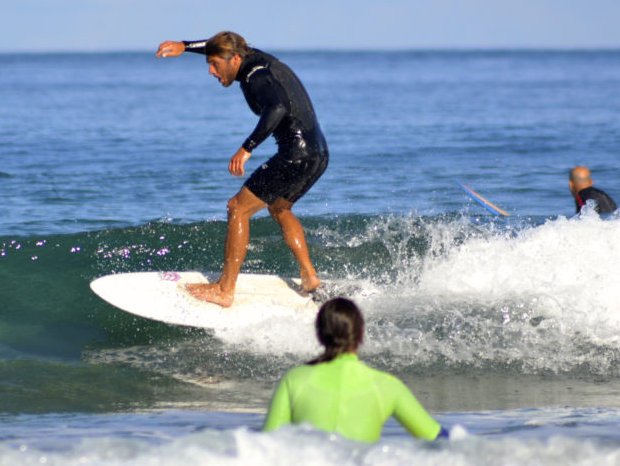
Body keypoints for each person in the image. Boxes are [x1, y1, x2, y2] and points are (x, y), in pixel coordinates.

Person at [156, 31, 327, 308]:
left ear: (235, 59)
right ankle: (310, 278)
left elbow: (278, 107)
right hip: (318, 153)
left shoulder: (254, 77)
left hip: (295, 154)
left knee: (238, 208)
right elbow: (223, 47)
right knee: (280, 209)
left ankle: (225, 289)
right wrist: (184, 46)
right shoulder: (252, 57)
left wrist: (247, 148)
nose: (211, 71)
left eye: (215, 64)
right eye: (209, 63)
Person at [263, 297, 448, 442]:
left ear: (319, 335)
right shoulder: (386, 385)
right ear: (361, 335)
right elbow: (437, 438)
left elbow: (268, 443)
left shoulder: (295, 379)